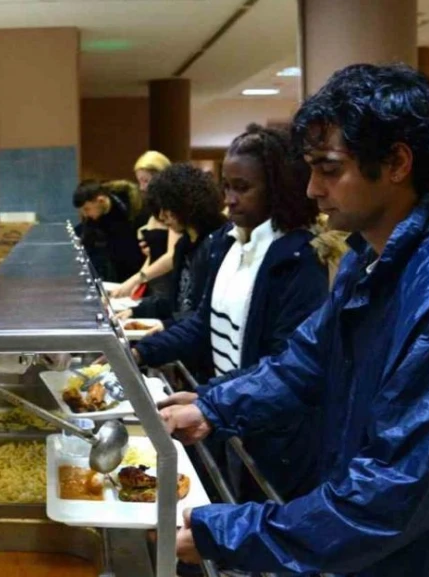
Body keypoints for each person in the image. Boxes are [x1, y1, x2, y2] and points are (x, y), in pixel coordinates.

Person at [159, 64, 429, 576]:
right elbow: (307, 360)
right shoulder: (370, 256)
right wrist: (213, 407)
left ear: (396, 162)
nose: (310, 190)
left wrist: (229, 531)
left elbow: (390, 496)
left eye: (329, 169)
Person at [134, 124, 328, 502]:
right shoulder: (226, 243)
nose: (231, 199)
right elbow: (202, 324)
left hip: (273, 430)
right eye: (227, 186)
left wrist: (210, 399)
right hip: (233, 409)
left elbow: (283, 362)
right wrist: (140, 350)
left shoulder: (297, 258)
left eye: (243, 188)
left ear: (276, 189)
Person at [120, 164, 224, 329]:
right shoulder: (183, 245)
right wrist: (136, 311)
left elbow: (205, 312)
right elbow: (176, 300)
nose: (161, 216)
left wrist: (165, 325)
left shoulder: (217, 244)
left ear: (184, 205)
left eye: (166, 209)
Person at [110, 152, 180, 299]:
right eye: (139, 181)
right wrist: (133, 284)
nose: (141, 187)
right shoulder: (154, 210)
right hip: (156, 283)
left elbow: (172, 256)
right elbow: (154, 256)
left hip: (172, 285)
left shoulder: (175, 209)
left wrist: (137, 279)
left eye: (146, 181)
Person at [73, 179, 147, 283]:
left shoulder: (131, 207)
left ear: (101, 201)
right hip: (116, 269)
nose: (86, 214)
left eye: (87, 209)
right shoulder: (93, 218)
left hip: (137, 267)